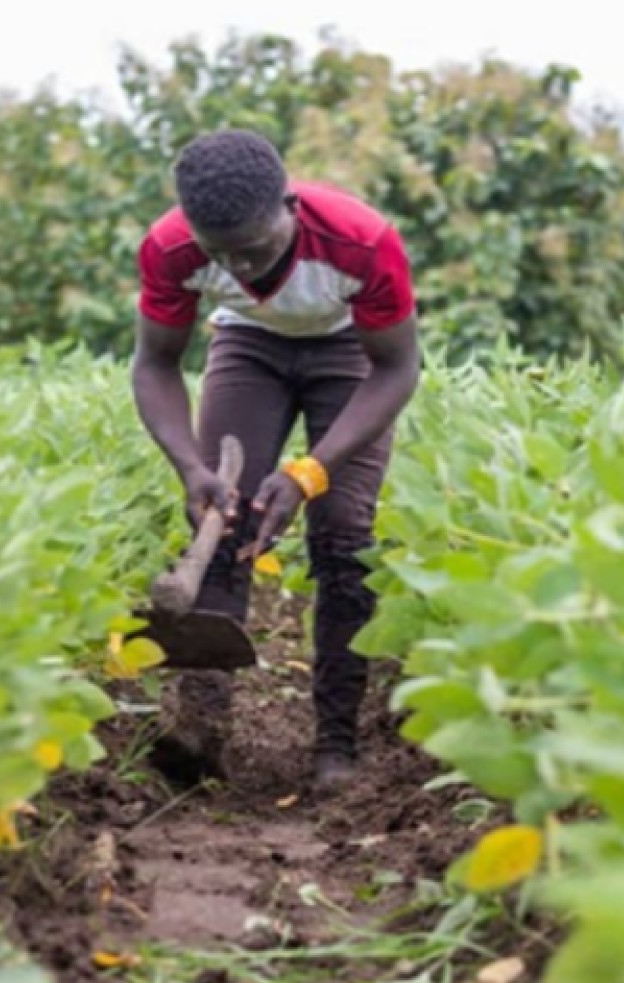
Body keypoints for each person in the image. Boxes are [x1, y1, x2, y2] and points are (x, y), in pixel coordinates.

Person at [129, 128, 423, 793]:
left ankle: (337, 746)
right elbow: (154, 363)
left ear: (290, 206)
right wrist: (190, 466)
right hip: (248, 348)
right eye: (220, 254)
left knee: (344, 536)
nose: (240, 269)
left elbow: (397, 369)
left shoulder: (361, 243)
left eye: (255, 249)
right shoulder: (172, 247)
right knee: (224, 520)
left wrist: (309, 472)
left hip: (353, 355)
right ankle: (201, 729)